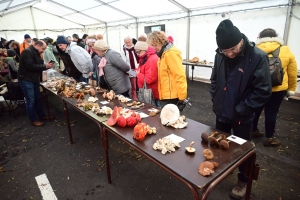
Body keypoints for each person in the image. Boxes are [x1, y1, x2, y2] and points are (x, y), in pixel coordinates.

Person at [210, 19, 272, 199]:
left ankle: (243, 179)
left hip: (241, 116)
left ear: (241, 41)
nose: (229, 54)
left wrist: (241, 109)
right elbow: (214, 80)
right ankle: (223, 168)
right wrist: (215, 98)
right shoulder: (219, 55)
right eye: (225, 51)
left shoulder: (257, 57)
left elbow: (262, 91)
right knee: (219, 144)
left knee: (242, 150)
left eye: (233, 49)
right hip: (221, 112)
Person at [252, 28, 298, 146]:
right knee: (271, 113)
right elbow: (292, 72)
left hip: (259, 88)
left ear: (260, 38)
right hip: (278, 89)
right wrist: (291, 89)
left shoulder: (255, 50)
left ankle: (253, 131)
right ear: (276, 37)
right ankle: (269, 139)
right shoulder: (285, 50)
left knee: (255, 110)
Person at [18, 40, 54, 126]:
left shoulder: (36, 53)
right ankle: (33, 119)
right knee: (30, 100)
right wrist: (45, 66)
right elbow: (30, 66)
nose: (43, 50)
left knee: (38, 98)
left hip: (34, 79)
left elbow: (37, 65)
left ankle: (42, 115)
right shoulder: (27, 52)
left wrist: (46, 66)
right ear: (37, 45)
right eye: (43, 48)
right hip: (26, 79)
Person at [147, 31, 187, 107]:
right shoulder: (163, 54)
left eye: (155, 45)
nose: (154, 48)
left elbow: (180, 75)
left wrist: (182, 96)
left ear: (161, 42)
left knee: (171, 117)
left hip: (174, 95)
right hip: (169, 94)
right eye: (152, 45)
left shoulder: (170, 53)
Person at [134, 39, 160, 107]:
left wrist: (138, 74)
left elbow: (149, 79)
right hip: (148, 90)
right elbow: (141, 69)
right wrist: (135, 72)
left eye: (138, 52)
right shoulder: (145, 57)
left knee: (155, 111)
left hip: (152, 93)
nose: (138, 54)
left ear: (144, 49)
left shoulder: (152, 60)